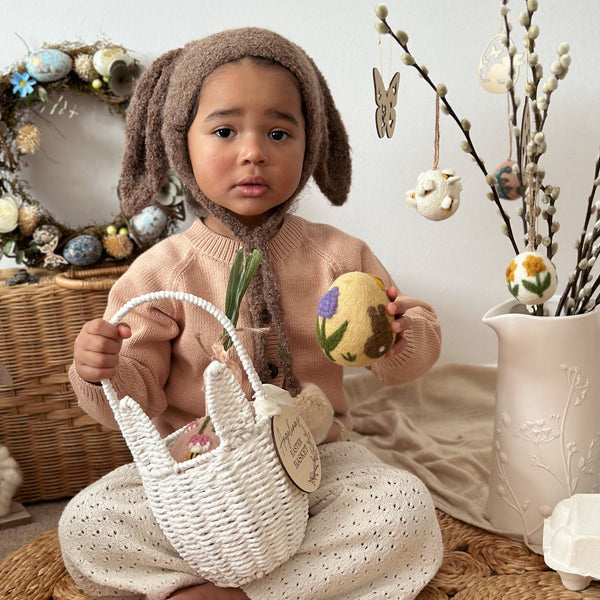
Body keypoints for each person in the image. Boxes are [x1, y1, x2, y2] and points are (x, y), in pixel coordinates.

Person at [59, 27, 443, 600]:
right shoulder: (159, 273)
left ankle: (244, 592)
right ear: (180, 143)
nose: (253, 151)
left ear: (310, 147)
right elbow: (132, 407)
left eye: (280, 131)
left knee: (405, 512)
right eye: (223, 130)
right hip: (197, 474)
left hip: (316, 461)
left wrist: (401, 334)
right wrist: (102, 368)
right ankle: (263, 582)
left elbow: (399, 368)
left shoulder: (339, 256)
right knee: (87, 524)